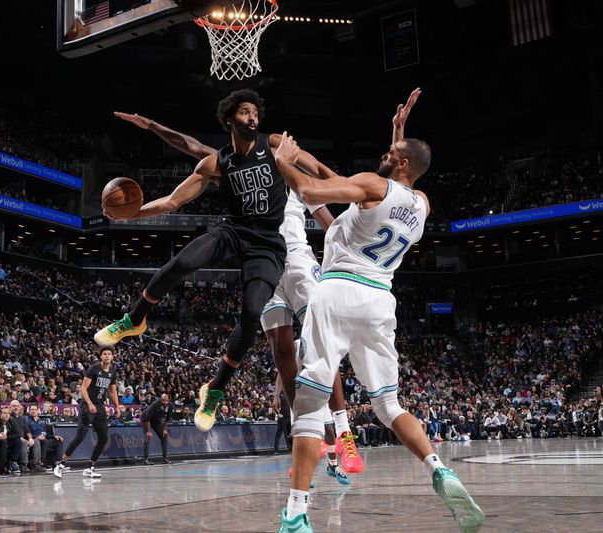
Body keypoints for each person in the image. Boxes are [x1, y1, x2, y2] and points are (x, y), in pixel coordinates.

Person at [272, 91, 484, 532]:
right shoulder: (422, 204)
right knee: (389, 404)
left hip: (337, 292)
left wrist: (285, 159)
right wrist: (399, 133)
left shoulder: (373, 184)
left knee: (310, 404)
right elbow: (353, 180)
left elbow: (312, 187)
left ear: (403, 164)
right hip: (380, 302)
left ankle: (295, 513)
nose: (385, 155)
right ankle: (439, 470)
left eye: (392, 153)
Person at [111, 109, 364, 473]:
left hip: (297, 263)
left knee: (320, 343)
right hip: (263, 266)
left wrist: (348, 257)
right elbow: (194, 147)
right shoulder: (240, 170)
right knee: (282, 355)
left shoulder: (294, 178)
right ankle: (308, 435)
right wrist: (152, 125)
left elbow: (332, 224)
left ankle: (343, 433)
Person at [54, 346, 120, 479]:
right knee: (80, 437)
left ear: (112, 356)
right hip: (87, 406)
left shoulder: (113, 371)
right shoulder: (94, 368)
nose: (107, 356)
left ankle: (90, 468)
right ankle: (60, 465)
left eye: (109, 354)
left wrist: (117, 407)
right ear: (101, 356)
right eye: (104, 354)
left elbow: (113, 391)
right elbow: (83, 388)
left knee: (103, 438)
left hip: (100, 407)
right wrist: (89, 404)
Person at [141, 393, 172, 465]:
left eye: (166, 401)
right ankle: (145, 459)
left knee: (164, 436)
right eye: (163, 401)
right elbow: (147, 418)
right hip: (146, 419)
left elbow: (167, 419)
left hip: (156, 420)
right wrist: (148, 431)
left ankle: (165, 458)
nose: (165, 402)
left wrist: (164, 429)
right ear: (160, 400)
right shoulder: (155, 404)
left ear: (168, 400)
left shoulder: (170, 406)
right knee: (147, 437)